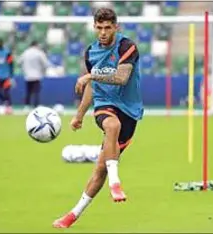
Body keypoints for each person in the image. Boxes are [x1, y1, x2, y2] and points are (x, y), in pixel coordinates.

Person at [53, 7, 143, 228]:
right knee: (112, 125)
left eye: (107, 27)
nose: (103, 32)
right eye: (99, 27)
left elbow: (122, 78)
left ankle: (72, 215)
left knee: (99, 169)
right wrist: (79, 115)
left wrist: (89, 75)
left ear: (116, 27)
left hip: (130, 111)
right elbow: (92, 88)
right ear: (94, 27)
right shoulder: (90, 52)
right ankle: (115, 181)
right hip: (105, 105)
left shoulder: (126, 46)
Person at [18, 41, 50, 111]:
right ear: (36, 45)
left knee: (28, 92)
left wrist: (24, 68)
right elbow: (46, 64)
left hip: (28, 76)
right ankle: (36, 106)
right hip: (36, 75)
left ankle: (26, 106)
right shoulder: (39, 53)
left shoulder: (26, 52)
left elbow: (19, 62)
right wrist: (42, 70)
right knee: (36, 92)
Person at [0, 39, 14, 114]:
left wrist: (11, 76)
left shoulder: (7, 53)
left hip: (6, 75)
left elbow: (11, 64)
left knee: (6, 92)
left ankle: (9, 107)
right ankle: (5, 102)